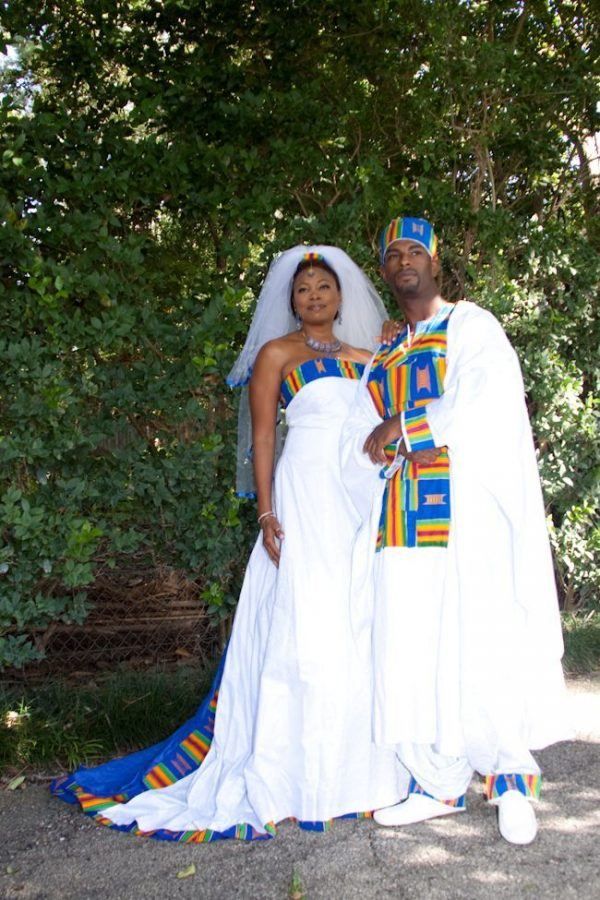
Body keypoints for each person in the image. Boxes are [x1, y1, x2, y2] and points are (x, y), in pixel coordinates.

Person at [51, 245, 408, 842]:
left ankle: (360, 775)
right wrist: (267, 509)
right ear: (290, 301)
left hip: (357, 497)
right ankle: (294, 775)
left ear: (342, 296)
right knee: (305, 622)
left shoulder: (369, 356)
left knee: (357, 620)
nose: (314, 296)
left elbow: (396, 409)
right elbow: (264, 437)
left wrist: (399, 344)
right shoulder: (277, 355)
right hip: (302, 492)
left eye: (324, 287)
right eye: (303, 290)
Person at [341, 217, 571, 845]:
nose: (404, 260)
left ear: (435, 263)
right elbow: (356, 434)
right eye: (393, 254)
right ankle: (437, 783)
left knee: (481, 641)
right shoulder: (386, 350)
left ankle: (512, 780)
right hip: (401, 517)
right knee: (407, 646)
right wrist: (373, 451)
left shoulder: (470, 325)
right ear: (385, 271)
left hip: (466, 510)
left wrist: (403, 429)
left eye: (415, 250)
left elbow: (484, 400)